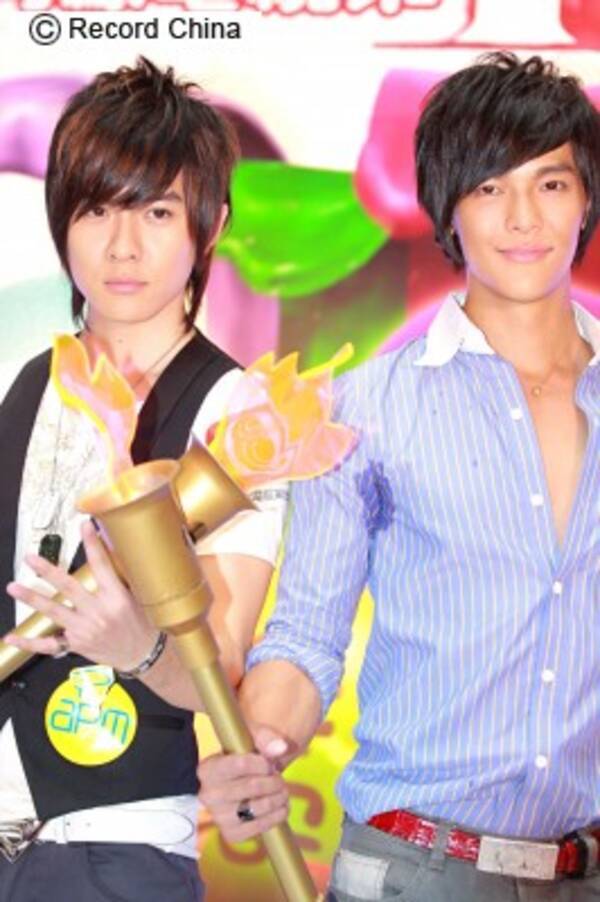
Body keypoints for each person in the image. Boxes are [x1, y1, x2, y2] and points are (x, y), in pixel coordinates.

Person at [198, 52, 600, 901]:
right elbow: (306, 637)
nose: (523, 217)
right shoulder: (363, 409)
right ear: (448, 207)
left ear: (586, 200)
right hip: (416, 870)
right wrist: (261, 745)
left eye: (551, 184)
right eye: (489, 188)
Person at [0, 58, 287, 901]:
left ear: (211, 223)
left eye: (157, 211)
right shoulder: (29, 384)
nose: (123, 246)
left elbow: (222, 668)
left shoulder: (240, 416)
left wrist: (140, 649)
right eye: (96, 209)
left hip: (114, 848)